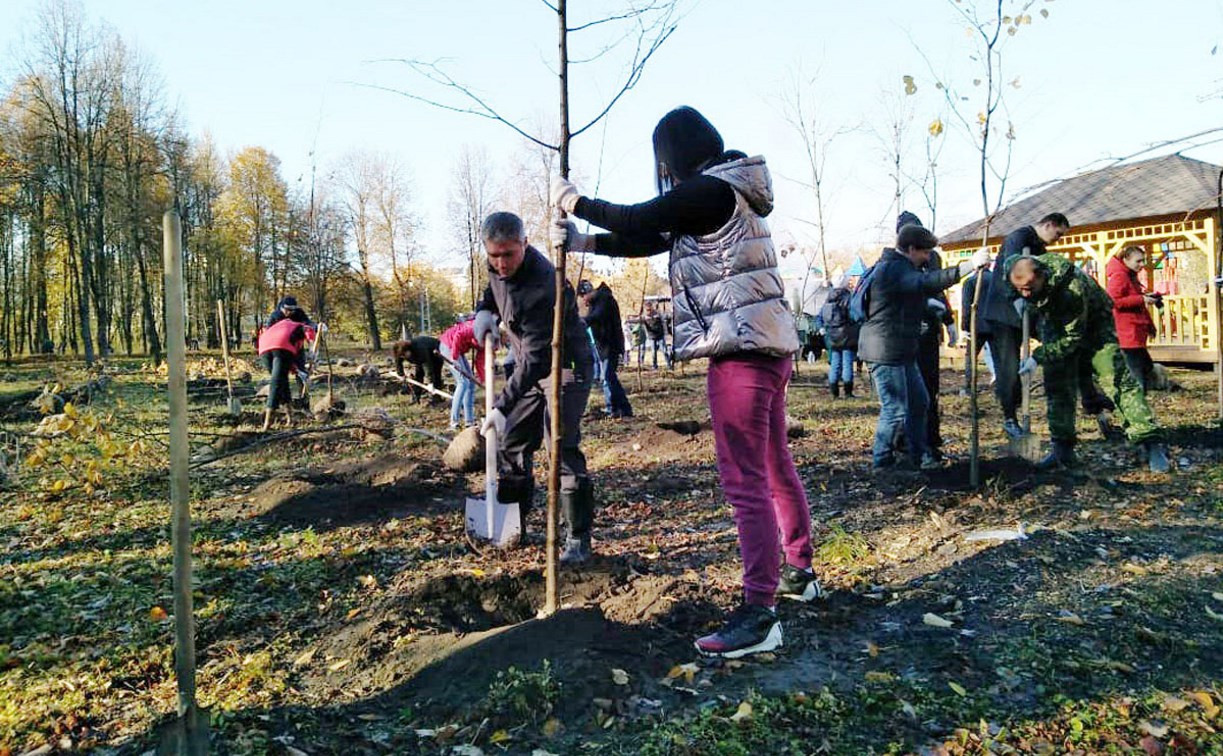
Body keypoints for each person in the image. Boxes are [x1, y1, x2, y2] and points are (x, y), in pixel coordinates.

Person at [550, 105, 813, 659]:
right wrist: (582, 242)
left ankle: (759, 612)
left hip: (740, 352)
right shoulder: (729, 193)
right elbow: (651, 237)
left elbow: (641, 216)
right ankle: (800, 571)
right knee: (772, 464)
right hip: (766, 346)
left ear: (672, 155)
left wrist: (576, 201)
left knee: (745, 480)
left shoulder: (711, 192)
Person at [473, 211, 595, 563]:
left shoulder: (545, 284)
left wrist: (499, 405)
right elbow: (493, 292)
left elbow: (539, 359)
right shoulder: (495, 267)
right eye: (494, 255)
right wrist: (485, 311)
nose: (500, 263)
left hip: (564, 365)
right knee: (511, 443)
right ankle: (514, 526)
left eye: (508, 254)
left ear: (525, 244)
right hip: (530, 363)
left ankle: (577, 539)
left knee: (560, 443)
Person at [1007, 254, 1170, 472]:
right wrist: (1016, 298)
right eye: (1019, 288)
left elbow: (1072, 338)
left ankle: (1150, 443)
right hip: (1055, 328)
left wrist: (1038, 357)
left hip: (1096, 330)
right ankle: (1062, 450)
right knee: (1057, 387)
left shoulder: (1071, 289)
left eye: (1028, 288)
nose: (1025, 293)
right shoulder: (1017, 268)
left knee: (1119, 382)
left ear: (1042, 276)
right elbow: (1010, 274)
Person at [858, 224, 991, 471]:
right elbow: (925, 283)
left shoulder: (903, 268)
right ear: (910, 249)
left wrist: (932, 309)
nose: (928, 257)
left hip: (901, 349)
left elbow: (903, 301)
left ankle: (915, 459)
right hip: (885, 351)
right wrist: (968, 266)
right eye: (925, 252)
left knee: (920, 402)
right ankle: (883, 464)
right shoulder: (894, 268)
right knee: (895, 408)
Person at [980, 213, 1071, 439]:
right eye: (1058, 234)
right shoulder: (1018, 238)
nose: (1058, 239)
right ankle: (1010, 418)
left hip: (1026, 312)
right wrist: (1018, 299)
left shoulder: (1040, 248)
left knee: (1056, 344)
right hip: (1002, 314)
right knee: (1008, 368)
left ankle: (1064, 407)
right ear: (1048, 225)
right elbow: (1011, 271)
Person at [899, 212, 958, 462]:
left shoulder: (932, 256)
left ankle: (931, 443)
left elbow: (937, 286)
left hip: (928, 332)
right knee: (909, 393)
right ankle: (907, 445)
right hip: (905, 333)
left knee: (929, 390)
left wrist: (949, 320)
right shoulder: (896, 262)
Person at [1106, 245, 1159, 391]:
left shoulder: (1130, 275)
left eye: (1143, 261)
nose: (1142, 265)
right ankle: (1137, 398)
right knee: (1136, 371)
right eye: (1138, 261)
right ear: (1125, 260)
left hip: (1136, 330)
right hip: (1127, 332)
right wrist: (1141, 299)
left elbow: (1138, 302)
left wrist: (1149, 324)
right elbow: (1113, 301)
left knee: (1146, 366)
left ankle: (1146, 392)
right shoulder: (1119, 276)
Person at [580, 279, 633, 418]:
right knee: (610, 378)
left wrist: (582, 321)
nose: (583, 300)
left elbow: (597, 316)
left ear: (588, 292)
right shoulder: (596, 302)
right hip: (603, 346)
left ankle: (617, 409)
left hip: (610, 345)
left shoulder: (604, 299)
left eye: (583, 296)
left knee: (607, 378)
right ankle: (619, 408)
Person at [256, 315, 315, 431]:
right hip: (280, 346)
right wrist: (312, 348)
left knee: (281, 381)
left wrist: (297, 370)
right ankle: (267, 423)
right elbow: (309, 330)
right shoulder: (298, 325)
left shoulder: (282, 327)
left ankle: (290, 417)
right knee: (276, 383)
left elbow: (291, 364)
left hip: (263, 348)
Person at [439, 314, 485, 430]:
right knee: (463, 382)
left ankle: (469, 421)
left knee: (471, 383)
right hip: (449, 344)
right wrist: (454, 358)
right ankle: (454, 422)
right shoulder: (476, 327)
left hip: (459, 349)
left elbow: (480, 360)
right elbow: (458, 335)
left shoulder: (489, 342)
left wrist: (482, 379)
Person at [814, 280, 858, 398]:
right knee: (847, 364)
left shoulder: (828, 300)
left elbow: (819, 318)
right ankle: (848, 393)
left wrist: (822, 329)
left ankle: (834, 393)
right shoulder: (849, 298)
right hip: (847, 336)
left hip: (831, 337)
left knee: (835, 364)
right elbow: (855, 315)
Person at [266, 296, 316, 398]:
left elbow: (308, 323)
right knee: (281, 375)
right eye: (287, 310)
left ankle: (304, 398)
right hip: (281, 349)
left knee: (301, 372)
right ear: (282, 307)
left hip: (296, 347)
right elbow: (268, 334)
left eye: (292, 310)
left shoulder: (298, 313)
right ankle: (284, 400)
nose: (289, 313)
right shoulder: (275, 316)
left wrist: (315, 326)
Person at [960, 270, 997, 395]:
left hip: (976, 326)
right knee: (997, 356)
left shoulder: (970, 282)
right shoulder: (996, 280)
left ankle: (969, 387)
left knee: (970, 358)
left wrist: (964, 327)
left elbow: (966, 306)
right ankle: (1001, 386)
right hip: (994, 324)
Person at [392, 336, 446, 403]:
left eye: (404, 355)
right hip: (421, 357)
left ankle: (436, 398)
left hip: (435, 354)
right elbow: (398, 363)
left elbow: (427, 366)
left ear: (408, 350)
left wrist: (430, 382)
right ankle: (416, 397)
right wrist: (401, 374)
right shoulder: (399, 351)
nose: (404, 358)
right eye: (402, 356)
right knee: (418, 376)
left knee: (436, 375)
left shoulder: (419, 349)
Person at [643, 301, 672, 369]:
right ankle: (655, 366)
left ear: (652, 307)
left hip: (660, 335)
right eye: (647, 310)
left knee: (664, 350)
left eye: (650, 309)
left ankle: (669, 364)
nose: (649, 311)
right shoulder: (645, 317)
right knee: (653, 352)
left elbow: (665, 318)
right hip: (652, 337)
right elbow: (638, 320)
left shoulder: (657, 314)